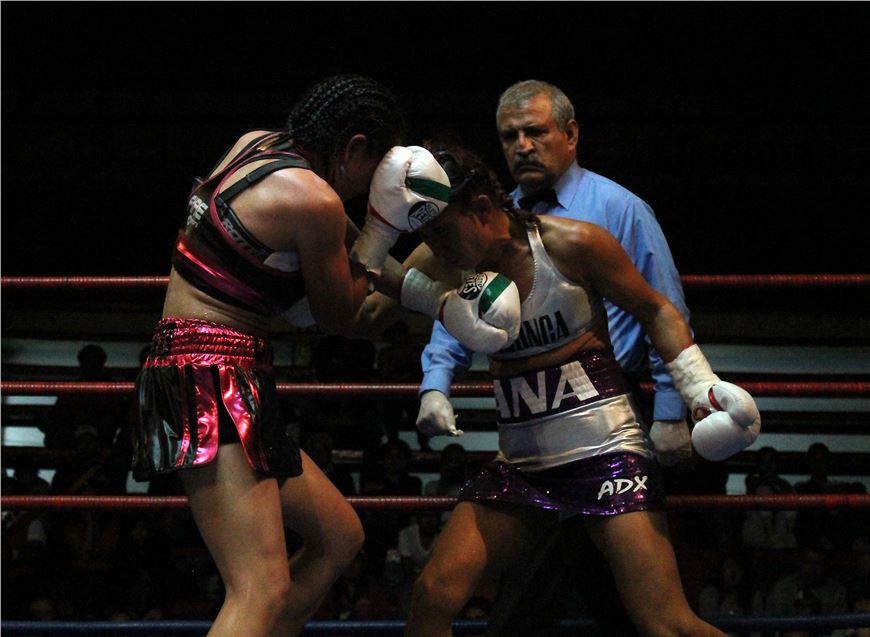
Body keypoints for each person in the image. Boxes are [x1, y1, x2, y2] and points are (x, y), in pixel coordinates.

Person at [384, 144, 761, 637]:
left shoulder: (573, 243)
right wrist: (371, 234)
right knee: (432, 595)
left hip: (606, 454)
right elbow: (369, 296)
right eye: (426, 233)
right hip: (522, 464)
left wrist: (696, 387)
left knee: (665, 623)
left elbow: (657, 309)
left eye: (440, 230)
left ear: (479, 209)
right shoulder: (448, 259)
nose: (435, 245)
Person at [131, 74, 413, 637]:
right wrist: (385, 229)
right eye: (370, 173)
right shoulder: (315, 200)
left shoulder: (252, 143)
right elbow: (342, 319)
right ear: (354, 146)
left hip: (205, 363)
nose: (363, 190)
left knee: (338, 537)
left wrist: (420, 287)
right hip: (211, 372)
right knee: (259, 586)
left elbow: (341, 248)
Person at [413, 79, 694, 635]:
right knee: (469, 599)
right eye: (509, 135)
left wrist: (671, 410)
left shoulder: (616, 211)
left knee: (653, 620)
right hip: (525, 447)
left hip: (609, 422)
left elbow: (661, 307)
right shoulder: (482, 224)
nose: (522, 146)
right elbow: (459, 306)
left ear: (569, 134)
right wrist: (436, 380)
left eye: (535, 132)